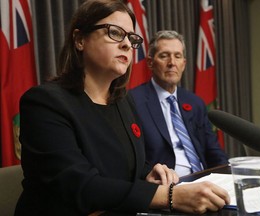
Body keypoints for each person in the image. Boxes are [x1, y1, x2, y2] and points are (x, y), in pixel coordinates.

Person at [15, 1, 230, 215]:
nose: (127, 44)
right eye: (115, 33)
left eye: (131, 38)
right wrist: (170, 196)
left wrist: (149, 173)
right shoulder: (44, 103)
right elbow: (79, 186)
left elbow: (125, 167)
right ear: (80, 39)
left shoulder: (123, 101)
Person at [129, 30, 228, 177]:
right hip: (168, 185)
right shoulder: (133, 101)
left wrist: (227, 175)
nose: (172, 63)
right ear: (150, 62)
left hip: (204, 179)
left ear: (184, 63)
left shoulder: (195, 103)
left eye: (177, 56)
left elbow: (213, 150)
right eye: (164, 56)